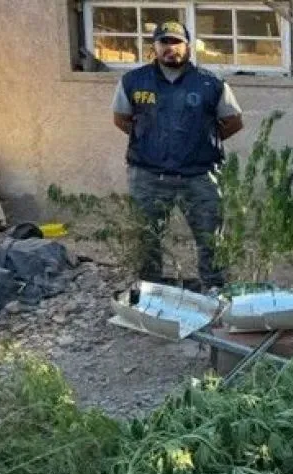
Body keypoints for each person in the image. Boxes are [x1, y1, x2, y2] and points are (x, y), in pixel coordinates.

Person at [112, 20, 244, 289]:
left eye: (176, 42)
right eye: (164, 42)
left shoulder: (210, 83)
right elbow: (121, 119)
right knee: (146, 238)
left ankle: (215, 290)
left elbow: (233, 122)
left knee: (211, 239)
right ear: (155, 46)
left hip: (199, 176)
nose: (170, 48)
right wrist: (149, 141)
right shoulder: (133, 81)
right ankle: (149, 291)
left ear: (188, 47)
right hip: (148, 176)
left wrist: (200, 143)